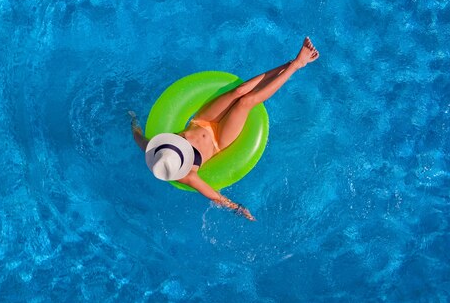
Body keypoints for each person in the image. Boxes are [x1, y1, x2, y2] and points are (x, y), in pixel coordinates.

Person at [130, 37, 320, 221]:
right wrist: (238, 209)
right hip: (219, 139)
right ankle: (296, 65)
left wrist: (133, 120)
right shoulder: (186, 176)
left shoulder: (157, 150)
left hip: (202, 121)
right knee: (246, 102)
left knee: (239, 91)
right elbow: (214, 196)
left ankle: (287, 64)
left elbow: (138, 137)